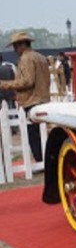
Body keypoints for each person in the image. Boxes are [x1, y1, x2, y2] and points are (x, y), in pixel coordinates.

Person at [0, 32, 51, 163]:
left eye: (16, 46)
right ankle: (46, 159)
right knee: (43, 134)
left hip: (31, 101)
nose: (14, 50)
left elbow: (27, 81)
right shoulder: (40, 57)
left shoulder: (26, 58)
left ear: (22, 44)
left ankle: (40, 160)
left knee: (33, 135)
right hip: (43, 98)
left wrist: (4, 84)